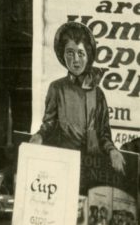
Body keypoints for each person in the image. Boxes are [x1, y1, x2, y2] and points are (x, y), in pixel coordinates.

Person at [31, 22, 125, 174]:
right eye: (70, 53)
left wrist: (112, 150)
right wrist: (39, 136)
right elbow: (48, 125)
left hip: (92, 166)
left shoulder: (98, 94)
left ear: (88, 56)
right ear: (63, 55)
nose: (75, 59)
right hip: (63, 164)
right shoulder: (57, 88)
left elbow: (104, 135)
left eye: (80, 53)